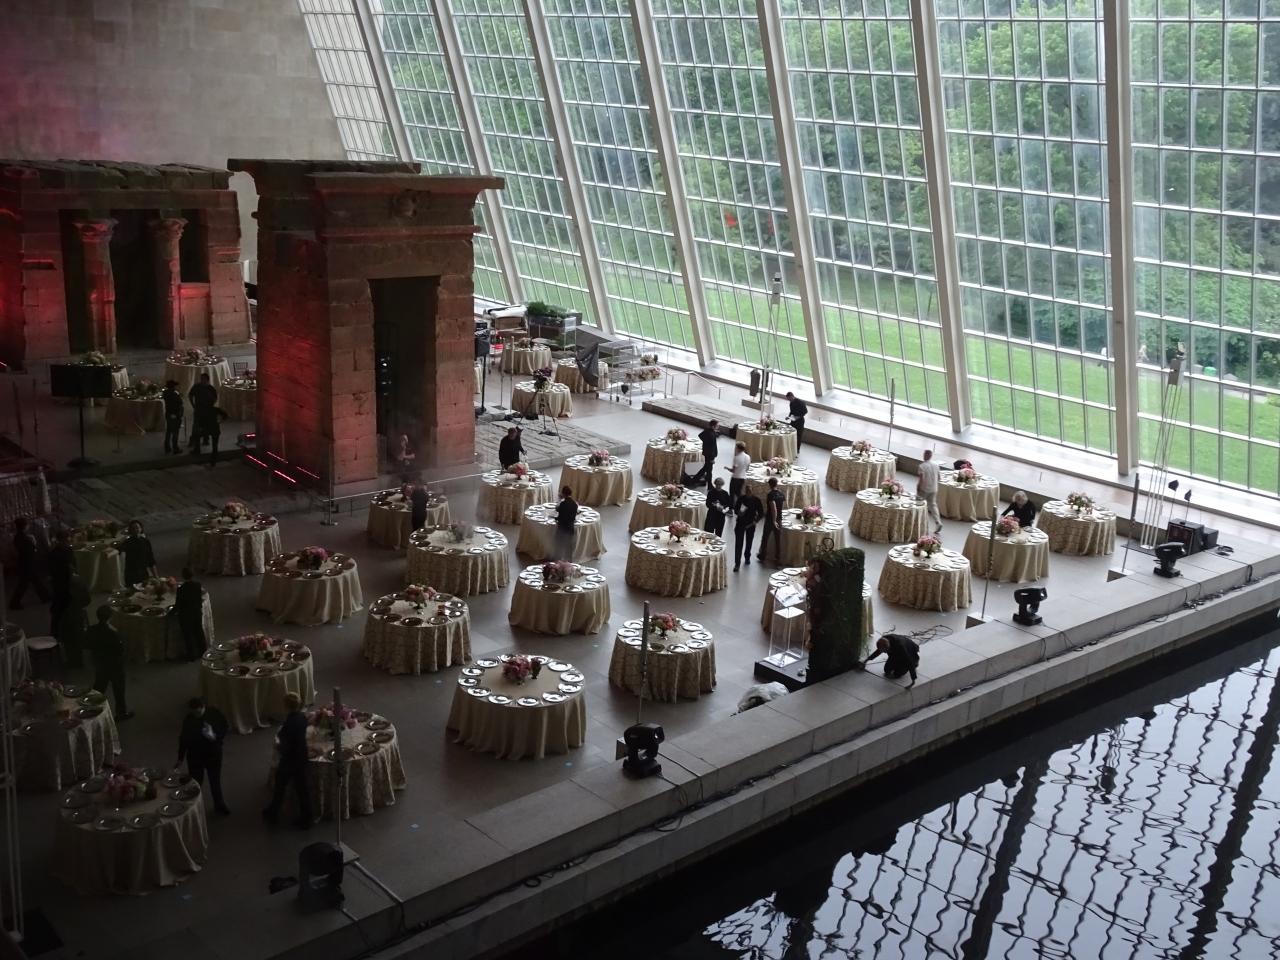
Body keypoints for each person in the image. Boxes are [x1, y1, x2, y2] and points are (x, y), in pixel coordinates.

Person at [263, 692, 312, 828]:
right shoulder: (302, 717)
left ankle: (274, 812)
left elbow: (285, 745)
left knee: (280, 786)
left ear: (286, 706)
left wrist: (278, 746)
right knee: (302, 789)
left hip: (290, 760)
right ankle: (305, 816)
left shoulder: (289, 723)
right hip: (301, 756)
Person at [177, 697, 230, 815]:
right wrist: (180, 757)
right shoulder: (189, 719)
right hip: (195, 756)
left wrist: (214, 736)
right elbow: (183, 739)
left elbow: (225, 727)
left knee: (214, 781)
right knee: (195, 783)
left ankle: (219, 804)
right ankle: (192, 808)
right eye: (193, 713)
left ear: (203, 707)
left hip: (213, 754)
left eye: (198, 712)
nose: (196, 715)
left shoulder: (214, 714)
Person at [86, 605, 132, 719]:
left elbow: (87, 644)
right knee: (118, 689)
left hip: (100, 663)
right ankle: (121, 713)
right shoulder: (113, 633)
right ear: (110, 617)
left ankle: (91, 709)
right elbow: (120, 650)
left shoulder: (91, 629)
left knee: (99, 687)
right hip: (114, 665)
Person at [9, 516, 50, 611]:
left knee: (34, 582)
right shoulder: (24, 537)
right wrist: (34, 544)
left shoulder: (18, 537)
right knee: (25, 584)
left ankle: (45, 597)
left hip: (25, 563)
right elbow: (30, 550)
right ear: (24, 526)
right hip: (27, 564)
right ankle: (14, 603)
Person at [56, 571, 91, 670]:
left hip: (68, 615)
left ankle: (73, 662)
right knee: (77, 637)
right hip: (78, 613)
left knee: (69, 640)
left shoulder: (63, 584)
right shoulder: (79, 580)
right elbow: (87, 600)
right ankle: (78, 661)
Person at [174, 567, 207, 660]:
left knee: (188, 635)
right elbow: (199, 600)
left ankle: (191, 655)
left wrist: (170, 613)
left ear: (183, 576)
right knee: (199, 631)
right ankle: (203, 651)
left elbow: (178, 605)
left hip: (186, 615)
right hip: (196, 612)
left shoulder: (181, 589)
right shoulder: (197, 585)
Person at [119, 519, 157, 587]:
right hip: (131, 573)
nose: (136, 530)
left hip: (143, 572)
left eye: (137, 527)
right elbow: (118, 550)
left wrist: (156, 576)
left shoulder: (146, 541)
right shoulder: (128, 542)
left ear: (141, 528)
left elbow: (151, 559)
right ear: (130, 530)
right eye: (133, 528)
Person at [732, 490, 764, 572]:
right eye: (747, 491)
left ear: (752, 492)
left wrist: (756, 521)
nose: (748, 493)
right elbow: (735, 510)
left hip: (751, 524)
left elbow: (761, 513)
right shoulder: (741, 499)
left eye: (750, 492)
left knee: (749, 542)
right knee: (738, 544)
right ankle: (737, 564)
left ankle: (747, 557)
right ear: (745, 492)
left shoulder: (756, 500)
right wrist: (738, 512)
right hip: (740, 524)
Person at [757, 477, 786, 565]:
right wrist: (778, 518)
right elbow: (782, 506)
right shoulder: (781, 494)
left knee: (765, 537)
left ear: (769, 485)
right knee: (778, 539)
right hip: (779, 518)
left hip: (771, 519)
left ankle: (762, 555)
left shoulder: (770, 494)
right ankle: (778, 559)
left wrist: (774, 521)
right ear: (776, 484)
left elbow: (773, 508)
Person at [188, 373, 218, 450]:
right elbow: (190, 395)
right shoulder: (196, 387)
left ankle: (205, 439)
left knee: (206, 425)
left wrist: (211, 405)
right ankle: (193, 440)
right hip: (198, 409)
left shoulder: (211, 388)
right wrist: (193, 404)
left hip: (207, 410)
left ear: (207, 380)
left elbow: (215, 398)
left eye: (203, 379)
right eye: (201, 379)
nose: (202, 380)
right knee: (196, 426)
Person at [917, 449, 942, 534]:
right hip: (934, 488)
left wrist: (918, 488)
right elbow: (939, 478)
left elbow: (921, 480)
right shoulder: (936, 465)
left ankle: (920, 523)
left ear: (925, 455)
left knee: (919, 505)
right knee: (933, 505)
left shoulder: (922, 466)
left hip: (924, 489)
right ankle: (938, 522)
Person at [689, 419, 719, 487]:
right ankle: (709, 485)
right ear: (713, 426)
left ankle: (695, 480)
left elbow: (700, 435)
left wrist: (705, 442)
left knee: (706, 468)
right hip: (710, 455)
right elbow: (712, 448)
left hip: (706, 453)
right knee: (709, 470)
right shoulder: (711, 435)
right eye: (717, 426)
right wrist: (712, 458)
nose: (718, 427)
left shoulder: (707, 431)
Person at [554, 486, 578, 560]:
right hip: (570, 527)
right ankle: (569, 559)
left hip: (562, 528)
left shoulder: (563, 504)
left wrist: (555, 518)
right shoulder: (575, 504)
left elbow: (560, 516)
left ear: (563, 494)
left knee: (559, 544)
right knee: (569, 545)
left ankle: (558, 559)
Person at [725, 441, 751, 508]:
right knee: (739, 493)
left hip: (736, 478)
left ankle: (731, 508)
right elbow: (747, 468)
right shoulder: (748, 457)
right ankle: (742, 506)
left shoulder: (737, 458)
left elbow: (733, 470)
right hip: (743, 477)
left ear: (738, 448)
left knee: (732, 494)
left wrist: (727, 468)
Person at [161, 379, 184, 454]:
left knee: (169, 430)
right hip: (175, 414)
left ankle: (167, 447)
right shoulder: (174, 394)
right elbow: (179, 403)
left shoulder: (165, 393)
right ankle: (175, 448)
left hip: (169, 414)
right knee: (175, 432)